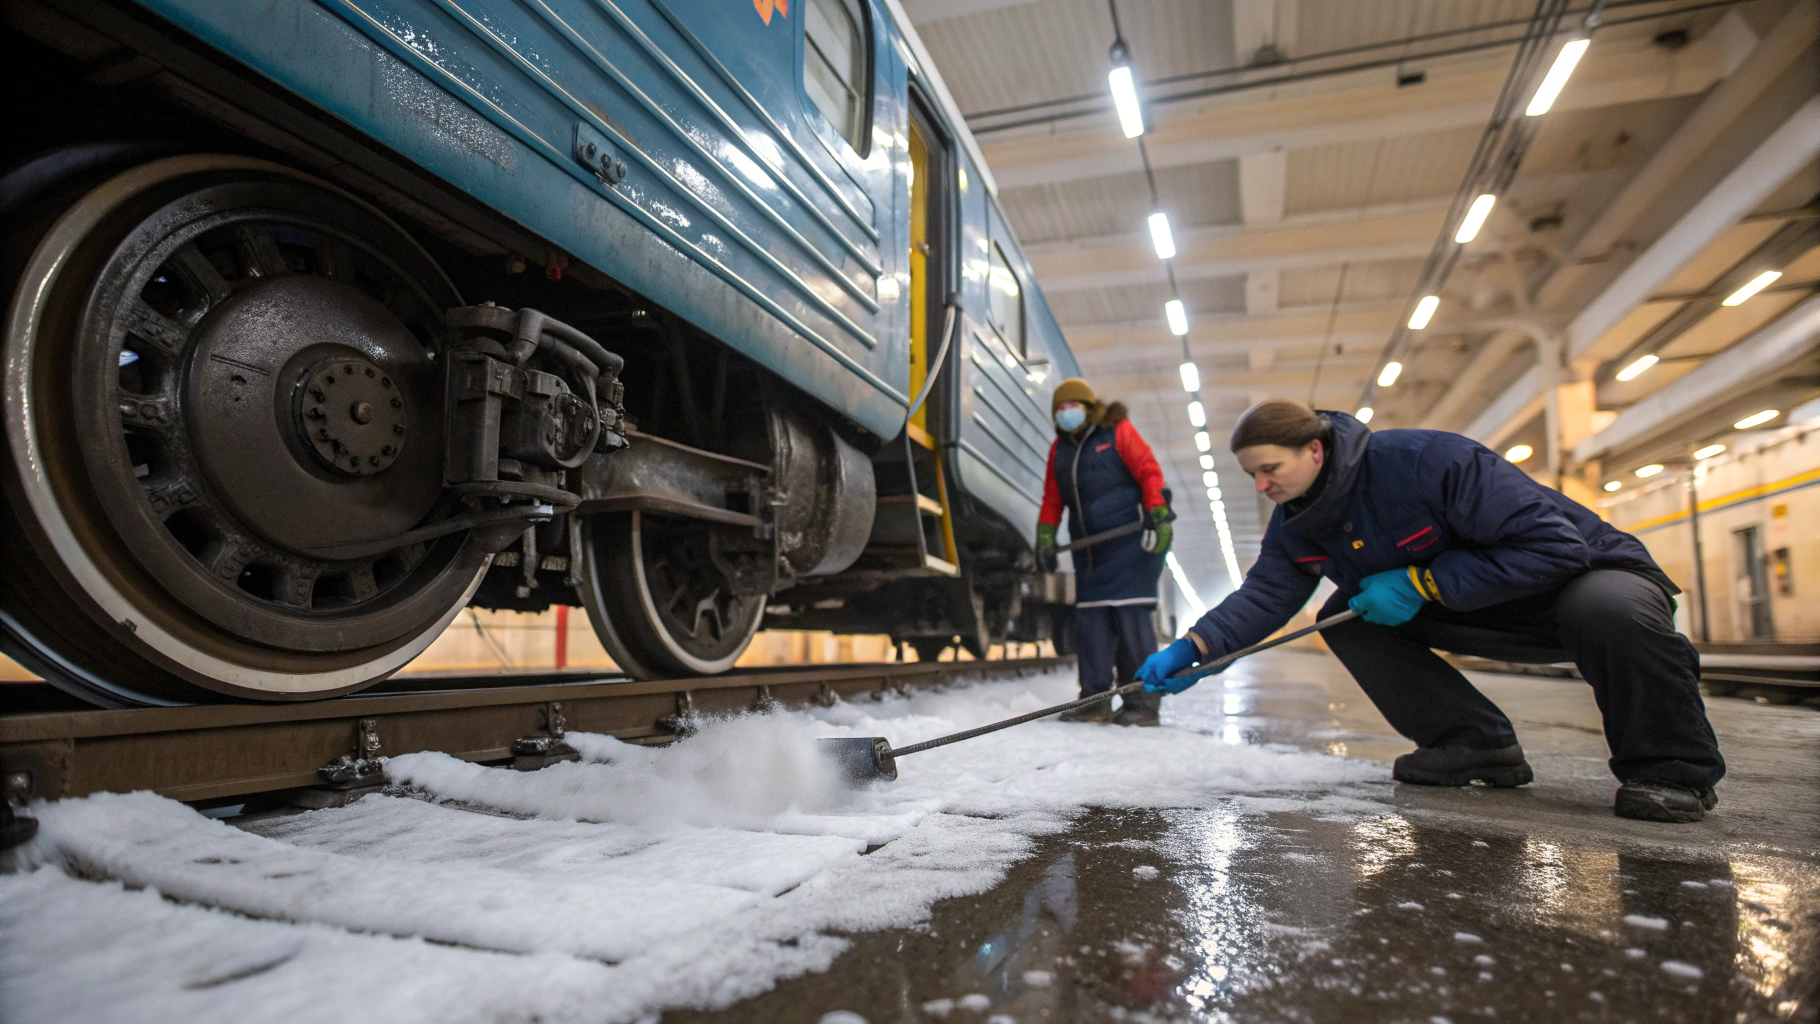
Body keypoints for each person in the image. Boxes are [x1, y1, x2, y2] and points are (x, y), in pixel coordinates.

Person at [1136, 400, 1726, 823]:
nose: (1262, 485)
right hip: (1485, 608)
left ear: (1314, 450)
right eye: (1252, 475)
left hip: (1582, 584)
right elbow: (1265, 595)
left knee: (1611, 609)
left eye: (1271, 469)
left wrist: (1424, 579)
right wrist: (1197, 646)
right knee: (1347, 615)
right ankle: (1475, 744)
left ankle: (1671, 772)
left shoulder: (1424, 460)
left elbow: (1556, 547)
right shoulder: (1298, 522)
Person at [1037, 377, 1173, 726]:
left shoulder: (1117, 432)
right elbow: (1053, 497)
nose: (1067, 412)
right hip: (1090, 553)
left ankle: (1141, 704)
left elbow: (1148, 470)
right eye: (1061, 408)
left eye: (1073, 406)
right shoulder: (1060, 449)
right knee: (1093, 626)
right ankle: (1094, 700)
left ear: (1089, 406)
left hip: (1129, 543)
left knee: (1130, 624)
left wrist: (1157, 511)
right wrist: (1045, 536)